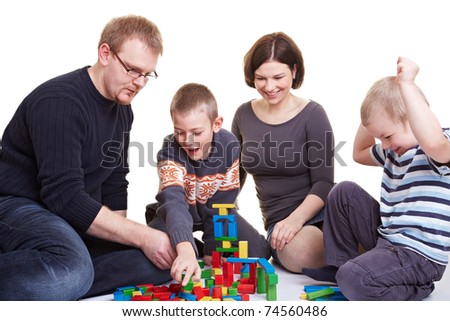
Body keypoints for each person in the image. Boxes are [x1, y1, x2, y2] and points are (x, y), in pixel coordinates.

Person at [0, 15, 176, 300]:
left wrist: (127, 240)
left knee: (164, 259)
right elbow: (64, 197)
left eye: (148, 74)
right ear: (105, 53)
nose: (140, 82)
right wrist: (142, 236)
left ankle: (67, 278)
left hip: (69, 217)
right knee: (75, 269)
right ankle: (71, 274)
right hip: (18, 207)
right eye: (133, 70)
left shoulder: (123, 110)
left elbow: (114, 182)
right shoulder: (59, 102)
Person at [303, 57, 450, 300]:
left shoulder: (437, 148)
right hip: (388, 242)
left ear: (413, 118)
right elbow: (359, 153)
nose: (385, 145)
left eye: (388, 136)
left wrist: (407, 85)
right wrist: (372, 113)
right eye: (381, 138)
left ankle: (417, 287)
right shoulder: (395, 149)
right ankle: (341, 265)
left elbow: (433, 141)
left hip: (420, 256)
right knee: (343, 191)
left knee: (355, 280)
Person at [146, 83, 271, 286]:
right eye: (179, 132)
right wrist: (184, 247)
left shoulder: (230, 146)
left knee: (260, 251)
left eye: (196, 132)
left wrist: (212, 248)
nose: (188, 141)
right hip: (177, 215)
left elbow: (223, 202)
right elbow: (173, 201)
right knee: (156, 255)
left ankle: (199, 246)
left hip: (213, 213)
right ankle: (189, 244)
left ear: (217, 124)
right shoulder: (170, 149)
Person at [231, 32, 335, 273]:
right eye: (261, 78)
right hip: (279, 225)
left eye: (278, 77)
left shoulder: (313, 114)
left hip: (321, 212)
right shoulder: (243, 115)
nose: (269, 87)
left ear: (294, 71)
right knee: (302, 252)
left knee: (338, 239)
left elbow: (324, 183)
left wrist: (295, 220)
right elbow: (233, 173)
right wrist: (223, 208)